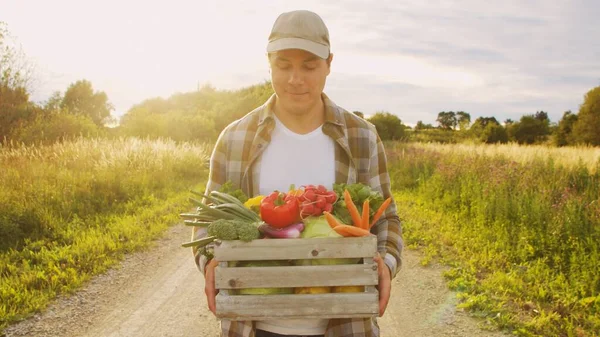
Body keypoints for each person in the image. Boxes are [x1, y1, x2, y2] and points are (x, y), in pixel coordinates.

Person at [192, 9, 403, 337]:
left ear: (329, 64)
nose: (296, 79)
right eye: (283, 65)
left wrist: (386, 264)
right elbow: (207, 222)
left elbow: (387, 219)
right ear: (268, 63)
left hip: (345, 323)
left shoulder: (361, 137)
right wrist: (210, 260)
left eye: (309, 65)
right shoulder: (235, 139)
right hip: (253, 324)